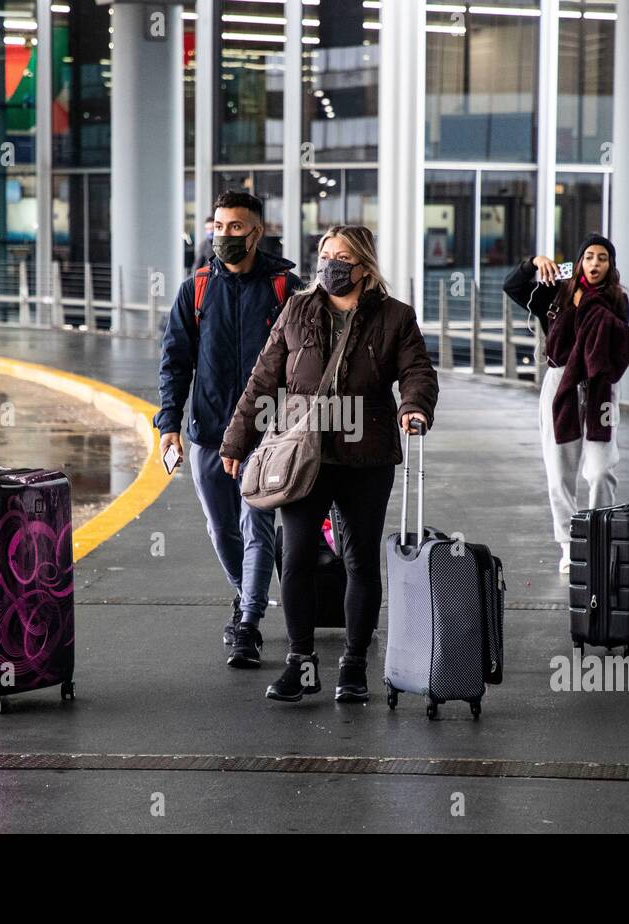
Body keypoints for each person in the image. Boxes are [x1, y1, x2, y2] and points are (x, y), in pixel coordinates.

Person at [221, 225, 438, 703]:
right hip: (304, 454)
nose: (330, 265)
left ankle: (354, 662)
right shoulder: (299, 309)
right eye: (324, 255)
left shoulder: (395, 316)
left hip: (366, 453)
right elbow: (264, 377)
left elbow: (416, 369)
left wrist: (414, 406)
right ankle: (300, 661)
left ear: (363, 265)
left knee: (359, 558)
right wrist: (237, 440)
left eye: (341, 257)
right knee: (294, 556)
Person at [156, 192, 301, 669]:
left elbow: (306, 360)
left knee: (256, 525)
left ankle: (249, 623)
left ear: (257, 232)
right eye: (218, 226)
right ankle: (246, 596)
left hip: (268, 435)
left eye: (236, 227)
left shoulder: (285, 288)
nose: (224, 235)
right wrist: (169, 425)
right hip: (207, 434)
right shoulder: (194, 289)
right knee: (222, 530)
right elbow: (175, 362)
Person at [504, 234, 629, 573]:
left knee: (602, 468)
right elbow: (513, 286)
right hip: (559, 382)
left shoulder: (617, 299)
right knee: (560, 471)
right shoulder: (555, 292)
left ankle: (597, 536)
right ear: (579, 261)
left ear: (611, 264)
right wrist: (534, 263)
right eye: (589, 256)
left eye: (602, 258)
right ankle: (569, 544)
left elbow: (621, 343)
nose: (595, 264)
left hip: (600, 387)